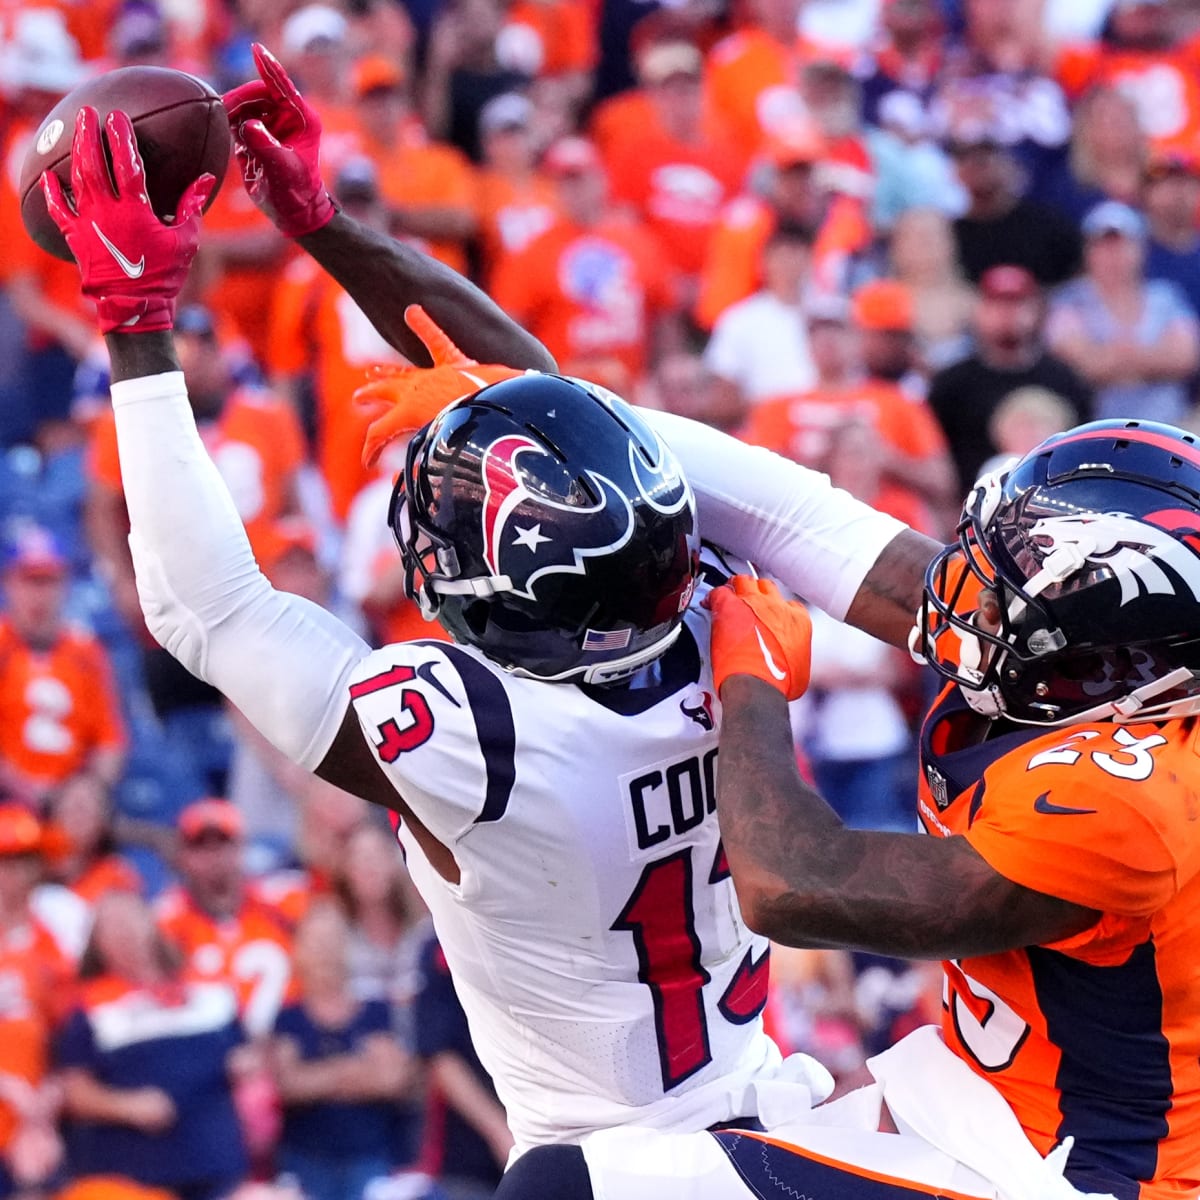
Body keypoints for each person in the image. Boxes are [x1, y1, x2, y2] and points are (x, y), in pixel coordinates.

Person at [43, 57, 938, 1186]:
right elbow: (573, 412)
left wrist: (135, 322)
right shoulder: (714, 607)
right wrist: (322, 225)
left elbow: (205, 606)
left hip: (610, 1165)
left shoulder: (472, 735)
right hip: (780, 1106)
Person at [619, 416, 1200, 1200]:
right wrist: (532, 404)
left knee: (566, 1183)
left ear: (1109, 652)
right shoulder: (1070, 679)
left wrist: (749, 684)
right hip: (984, 1105)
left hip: (1077, 1174)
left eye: (1012, 585)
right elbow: (801, 519)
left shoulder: (1134, 800)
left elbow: (790, 886)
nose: (967, 588)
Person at [58, 891, 253, 1200]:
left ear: (151, 923)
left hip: (217, 1165)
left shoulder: (211, 992)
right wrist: (125, 1106)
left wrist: (248, 1067)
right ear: (97, 945)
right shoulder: (91, 1007)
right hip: (134, 1176)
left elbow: (248, 1054)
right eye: (111, 927)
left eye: (130, 920)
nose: (124, 933)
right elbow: (74, 1091)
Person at [270, 901, 419, 1200]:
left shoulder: (376, 1010)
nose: (325, 951)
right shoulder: (287, 1018)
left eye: (332, 941)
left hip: (373, 1158)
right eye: (316, 942)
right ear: (300, 951)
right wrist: (353, 1070)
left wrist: (317, 1077)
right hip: (305, 1161)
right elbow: (286, 1086)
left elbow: (392, 1080)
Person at [928, 265, 1094, 494]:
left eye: (1017, 304)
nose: (1007, 314)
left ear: (1036, 310)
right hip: (968, 507)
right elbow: (936, 455)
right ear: (979, 310)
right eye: (997, 304)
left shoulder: (1065, 380)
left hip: (1053, 502)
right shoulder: (952, 384)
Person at [0, 526, 126, 808]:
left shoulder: (87, 652)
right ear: (9, 583)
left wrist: (89, 791)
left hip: (72, 806)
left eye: (48, 581)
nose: (39, 594)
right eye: (30, 581)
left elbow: (110, 743)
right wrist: (30, 792)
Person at [1047, 200, 1199, 425]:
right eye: (1103, 245)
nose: (1113, 255)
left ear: (1141, 249)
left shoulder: (1166, 297)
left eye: (1121, 245)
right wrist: (1154, 359)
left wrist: (1113, 357)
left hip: (1171, 424)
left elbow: (1186, 358)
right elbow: (1084, 365)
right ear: (1088, 251)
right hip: (1094, 426)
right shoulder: (1069, 301)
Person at [155, 800, 294, 1038]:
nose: (214, 857)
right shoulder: (166, 922)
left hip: (289, 1038)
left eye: (223, 844)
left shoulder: (281, 903)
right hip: (209, 1050)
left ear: (241, 848)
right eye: (201, 847)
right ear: (183, 856)